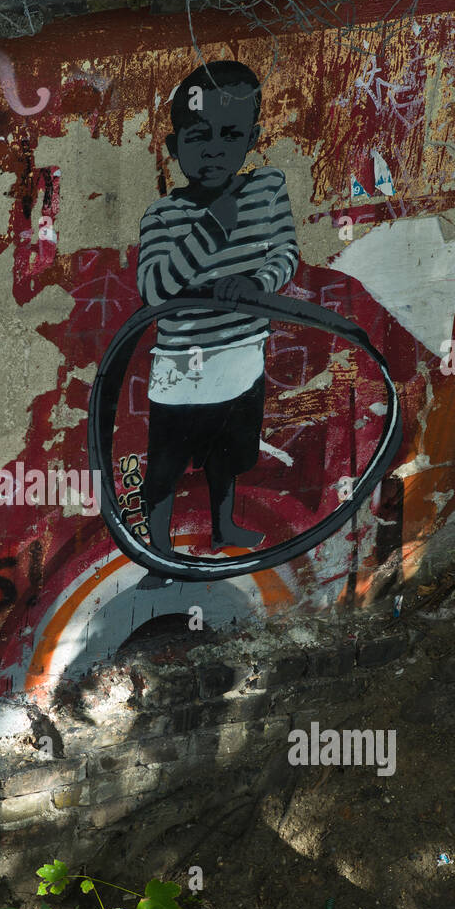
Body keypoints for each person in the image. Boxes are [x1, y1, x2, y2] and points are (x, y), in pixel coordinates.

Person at [135, 61, 299, 587]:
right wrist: (213, 226)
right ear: (173, 142)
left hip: (242, 359)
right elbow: (156, 289)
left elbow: (287, 254)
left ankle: (224, 527)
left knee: (229, 458)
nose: (213, 150)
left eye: (230, 136)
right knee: (164, 470)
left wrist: (258, 284)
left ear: (251, 139)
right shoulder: (163, 215)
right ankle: (159, 557)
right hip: (182, 372)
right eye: (198, 136)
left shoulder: (267, 189)